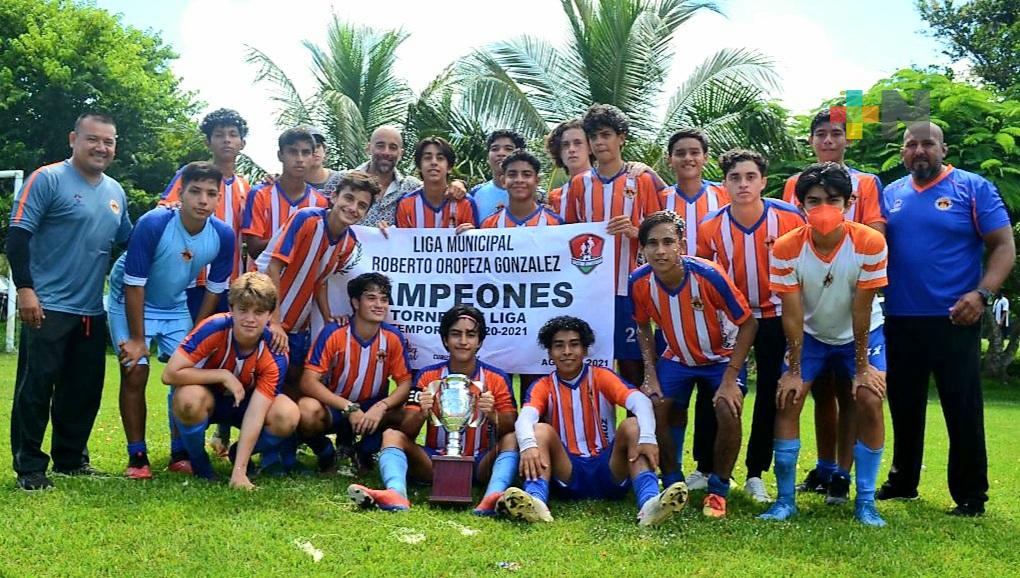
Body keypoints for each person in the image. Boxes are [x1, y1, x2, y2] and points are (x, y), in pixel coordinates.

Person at [878, 122, 1014, 516]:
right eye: (911, 145)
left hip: (956, 318)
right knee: (904, 405)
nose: (919, 151)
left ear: (944, 149)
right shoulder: (891, 194)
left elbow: (1003, 246)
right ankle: (903, 481)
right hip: (901, 317)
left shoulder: (973, 188)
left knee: (962, 407)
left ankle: (970, 494)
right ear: (903, 152)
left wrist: (982, 294)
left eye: (928, 144)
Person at [759, 162, 889, 526]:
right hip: (812, 335)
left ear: (849, 203)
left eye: (833, 200)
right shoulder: (786, 247)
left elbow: (861, 310)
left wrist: (862, 369)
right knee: (789, 397)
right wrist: (794, 370)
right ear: (800, 204)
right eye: (814, 201)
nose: (824, 208)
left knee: (869, 398)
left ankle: (866, 501)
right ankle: (785, 500)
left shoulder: (870, 242)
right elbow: (792, 314)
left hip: (861, 333)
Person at [8, 112, 132, 490]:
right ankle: (30, 467)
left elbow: (130, 241)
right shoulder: (47, 179)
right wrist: (25, 289)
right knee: (36, 388)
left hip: (91, 309)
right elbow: (17, 237)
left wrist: (170, 218)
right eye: (93, 139)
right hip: (47, 306)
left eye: (108, 141)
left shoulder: (116, 192)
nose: (101, 147)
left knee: (83, 390)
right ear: (73, 139)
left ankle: (71, 459)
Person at [781, 109, 886, 500]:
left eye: (837, 133)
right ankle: (823, 469)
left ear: (847, 138)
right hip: (812, 305)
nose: (828, 140)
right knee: (819, 393)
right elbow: (791, 234)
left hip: (852, 295)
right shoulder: (795, 183)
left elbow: (875, 230)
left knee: (852, 391)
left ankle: (844, 474)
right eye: (821, 133)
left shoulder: (866, 182)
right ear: (811, 140)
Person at [109, 161, 235, 479]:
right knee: (135, 370)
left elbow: (214, 290)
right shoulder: (153, 223)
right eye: (195, 191)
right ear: (180, 193)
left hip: (174, 305)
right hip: (130, 300)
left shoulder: (222, 235)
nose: (203, 200)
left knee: (187, 374)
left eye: (211, 194)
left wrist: (195, 337)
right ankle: (137, 456)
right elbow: (134, 283)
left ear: (219, 199)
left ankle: (180, 452)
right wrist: (137, 340)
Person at [498, 315, 687, 526]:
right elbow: (525, 418)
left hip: (609, 469)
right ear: (550, 353)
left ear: (585, 350)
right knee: (539, 431)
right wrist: (528, 445)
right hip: (568, 472)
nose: (567, 351)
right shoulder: (543, 385)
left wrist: (648, 437)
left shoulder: (602, 376)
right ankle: (536, 503)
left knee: (634, 426)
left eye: (574, 344)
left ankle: (649, 504)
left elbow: (640, 402)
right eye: (559, 346)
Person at [631, 211, 757, 517]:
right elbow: (643, 326)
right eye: (652, 243)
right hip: (678, 358)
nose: (660, 250)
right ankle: (672, 483)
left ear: (682, 245)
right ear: (643, 249)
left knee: (728, 407)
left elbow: (749, 323)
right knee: (655, 405)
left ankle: (718, 490)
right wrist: (650, 373)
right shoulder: (639, 281)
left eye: (668, 242)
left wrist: (730, 379)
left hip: (721, 357)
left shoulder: (708, 274)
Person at [697, 149, 804, 503]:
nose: (742, 184)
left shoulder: (788, 217)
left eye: (750, 177)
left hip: (777, 316)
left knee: (772, 393)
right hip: (733, 320)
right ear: (724, 183)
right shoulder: (711, 225)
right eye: (735, 178)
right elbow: (705, 277)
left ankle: (756, 473)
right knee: (718, 387)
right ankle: (706, 467)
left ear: (763, 181)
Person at [347, 305, 520, 516]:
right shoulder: (427, 376)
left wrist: (492, 414)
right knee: (392, 435)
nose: (463, 341)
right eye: (455, 334)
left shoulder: (497, 378)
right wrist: (422, 412)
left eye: (470, 335)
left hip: (480, 463)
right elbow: (408, 430)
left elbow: (511, 426)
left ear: (479, 341)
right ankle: (396, 493)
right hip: (434, 463)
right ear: (445, 340)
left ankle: (493, 497)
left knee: (512, 439)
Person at [163, 273, 299, 487]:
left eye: (259, 312)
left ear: (270, 315)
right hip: (209, 398)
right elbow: (169, 374)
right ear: (231, 308)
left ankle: (239, 455)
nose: (250, 319)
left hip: (247, 404)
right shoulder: (213, 326)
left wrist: (239, 472)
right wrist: (222, 375)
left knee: (287, 413)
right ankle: (199, 462)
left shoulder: (276, 351)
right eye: (243, 310)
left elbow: (256, 413)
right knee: (187, 398)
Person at [565, 104, 662, 389]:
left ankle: (638, 418)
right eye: (594, 137)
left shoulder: (641, 179)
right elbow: (567, 234)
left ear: (621, 137)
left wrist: (635, 232)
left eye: (606, 135)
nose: (599, 142)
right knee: (591, 367)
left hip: (629, 289)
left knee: (633, 368)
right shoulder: (579, 184)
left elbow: (660, 232)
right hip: (592, 291)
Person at [260, 171, 379, 400]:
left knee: (293, 383)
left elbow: (321, 280)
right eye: (349, 198)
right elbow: (274, 267)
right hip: (265, 315)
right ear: (334, 196)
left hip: (297, 326)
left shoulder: (349, 243)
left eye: (362, 205)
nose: (353, 208)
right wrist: (274, 321)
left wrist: (327, 317)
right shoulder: (306, 219)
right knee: (265, 380)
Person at [659, 128, 731, 493]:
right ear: (670, 159)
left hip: (715, 305)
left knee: (712, 394)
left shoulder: (722, 195)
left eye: (694, 152)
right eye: (680, 153)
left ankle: (708, 468)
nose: (688, 158)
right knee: (674, 396)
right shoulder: (659, 198)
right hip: (670, 308)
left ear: (705, 157)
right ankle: (671, 470)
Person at [296, 273, 412, 474]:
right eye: (371, 298)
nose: (379, 305)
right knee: (306, 410)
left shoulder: (392, 337)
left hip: (371, 408)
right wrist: (348, 407)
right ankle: (326, 453)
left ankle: (363, 451)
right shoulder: (334, 333)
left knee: (409, 414)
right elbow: (308, 381)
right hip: (337, 406)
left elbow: (405, 383)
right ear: (356, 303)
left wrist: (381, 406)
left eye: (384, 299)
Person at [160, 108, 251, 318]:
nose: (226, 140)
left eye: (233, 134)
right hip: (191, 280)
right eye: (219, 135)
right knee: (188, 336)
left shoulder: (246, 187)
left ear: (242, 143)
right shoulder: (191, 176)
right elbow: (165, 209)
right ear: (207, 142)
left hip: (231, 283)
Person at [242, 127, 329, 264]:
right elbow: (254, 250)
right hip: (263, 276)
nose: (300, 159)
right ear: (280, 155)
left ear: (313, 157)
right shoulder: (259, 194)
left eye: (305, 153)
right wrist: (296, 235)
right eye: (293, 152)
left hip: (302, 277)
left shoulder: (320, 202)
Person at [395, 136, 479, 231]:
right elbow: (401, 240)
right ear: (419, 166)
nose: (434, 162)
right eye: (428, 158)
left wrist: (469, 234)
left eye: (440, 158)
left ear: (449, 167)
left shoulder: (465, 203)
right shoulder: (406, 205)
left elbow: (475, 238)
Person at [481, 150, 563, 229]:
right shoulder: (488, 225)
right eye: (512, 175)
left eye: (526, 175)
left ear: (537, 181)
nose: (519, 180)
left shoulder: (555, 223)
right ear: (503, 181)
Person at [469, 130, 527, 219]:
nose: (501, 153)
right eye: (494, 149)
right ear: (487, 157)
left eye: (508, 149)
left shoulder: (537, 195)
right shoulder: (475, 194)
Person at [544, 120, 594, 218]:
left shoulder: (608, 187)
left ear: (590, 148)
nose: (571, 149)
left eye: (577, 143)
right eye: (565, 145)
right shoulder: (555, 198)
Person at [304, 126, 343, 198]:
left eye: (318, 146)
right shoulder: (289, 185)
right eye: (308, 147)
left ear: (324, 150)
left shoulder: (342, 180)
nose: (315, 150)